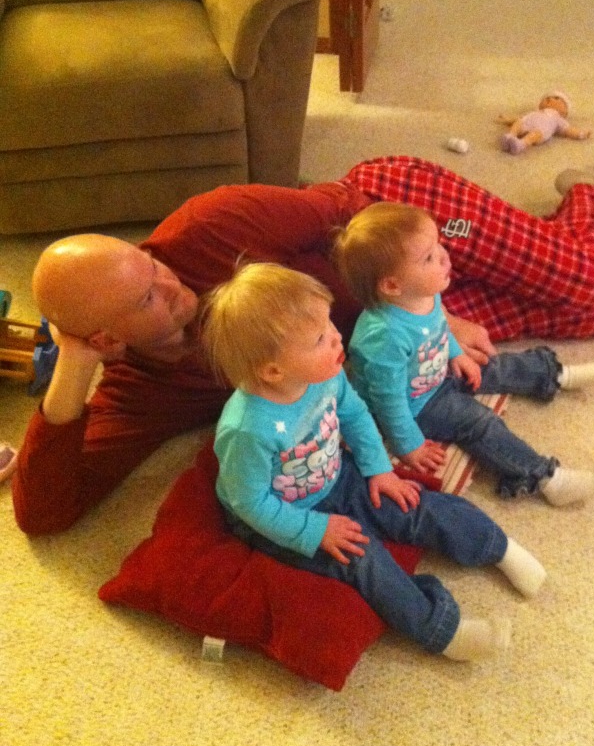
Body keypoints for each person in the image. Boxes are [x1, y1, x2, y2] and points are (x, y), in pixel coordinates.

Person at [13, 155, 594, 536]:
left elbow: (348, 208)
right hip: (384, 332)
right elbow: (44, 512)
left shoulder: (210, 224)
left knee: (589, 281)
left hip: (404, 223)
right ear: (103, 339)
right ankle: (582, 223)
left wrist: (434, 316)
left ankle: (585, 192)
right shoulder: (139, 391)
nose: (172, 286)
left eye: (152, 266)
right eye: (147, 299)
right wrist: (73, 366)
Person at [201, 262, 548, 663]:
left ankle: (497, 547)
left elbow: (355, 415)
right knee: (363, 558)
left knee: (412, 503)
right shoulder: (247, 429)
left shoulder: (325, 375)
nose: (336, 338)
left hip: (336, 476)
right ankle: (442, 631)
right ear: (273, 370)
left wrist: (380, 469)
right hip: (283, 515)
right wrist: (314, 530)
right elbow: (250, 503)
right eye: (319, 338)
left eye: (331, 325)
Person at [333, 202, 594, 502]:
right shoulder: (383, 338)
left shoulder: (422, 294)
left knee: (496, 365)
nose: (443, 257)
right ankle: (544, 477)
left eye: (438, 245)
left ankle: (554, 374)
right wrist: (409, 445)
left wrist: (457, 354)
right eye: (428, 258)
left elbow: (440, 328)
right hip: (418, 404)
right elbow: (389, 402)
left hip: (438, 371)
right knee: (480, 423)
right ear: (392, 285)